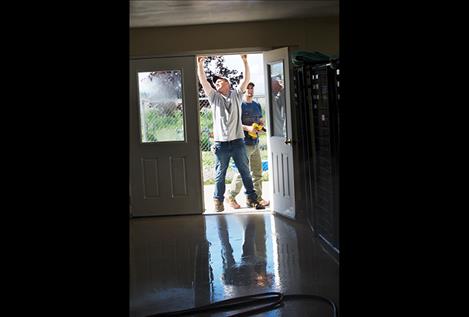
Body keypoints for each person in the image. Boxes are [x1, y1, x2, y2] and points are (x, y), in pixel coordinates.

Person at [197, 55, 264, 212]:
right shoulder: (213, 97)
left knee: (245, 172)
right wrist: (200, 64)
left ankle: (252, 199)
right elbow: (203, 81)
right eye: (216, 82)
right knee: (220, 174)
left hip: (238, 142)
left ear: (227, 83)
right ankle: (218, 201)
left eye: (220, 81)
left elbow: (246, 79)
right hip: (221, 144)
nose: (217, 83)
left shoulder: (236, 95)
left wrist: (245, 61)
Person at [228, 82, 270, 209]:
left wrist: (261, 124)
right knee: (242, 172)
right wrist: (249, 128)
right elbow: (235, 124)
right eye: (248, 88)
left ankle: (255, 198)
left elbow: (259, 121)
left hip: (255, 143)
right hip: (243, 144)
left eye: (252, 88)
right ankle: (230, 197)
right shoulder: (239, 105)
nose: (250, 90)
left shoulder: (257, 105)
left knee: (257, 172)